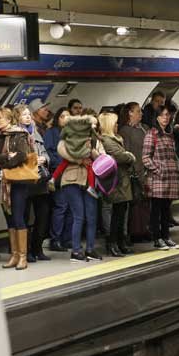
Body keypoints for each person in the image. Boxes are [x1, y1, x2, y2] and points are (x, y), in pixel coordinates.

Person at [0, 107, 33, 270]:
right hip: (2, 183)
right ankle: (14, 254)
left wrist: (3, 162)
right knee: (9, 218)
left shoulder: (19, 135)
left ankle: (23, 256)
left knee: (19, 217)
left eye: (0, 118)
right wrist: (7, 157)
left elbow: (21, 156)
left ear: (9, 120)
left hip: (18, 182)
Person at [57, 115, 104, 262]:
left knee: (92, 216)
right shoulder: (68, 138)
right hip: (72, 180)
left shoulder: (94, 140)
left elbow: (100, 156)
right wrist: (79, 158)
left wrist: (92, 151)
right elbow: (62, 150)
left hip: (90, 181)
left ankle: (90, 248)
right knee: (79, 216)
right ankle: (76, 251)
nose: (93, 128)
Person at [15, 104, 52, 263]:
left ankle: (38, 248)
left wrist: (45, 159)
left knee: (42, 215)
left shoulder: (36, 132)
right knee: (26, 217)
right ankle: (27, 250)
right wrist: (33, 160)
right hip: (25, 181)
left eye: (29, 114)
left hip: (40, 181)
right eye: (24, 115)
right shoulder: (16, 135)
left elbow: (45, 153)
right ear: (17, 118)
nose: (28, 117)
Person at [142, 107, 179, 250]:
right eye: (163, 115)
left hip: (170, 177)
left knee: (166, 209)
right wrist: (157, 170)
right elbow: (145, 157)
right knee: (156, 209)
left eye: (168, 115)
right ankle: (157, 238)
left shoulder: (170, 135)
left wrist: (177, 169)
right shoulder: (151, 134)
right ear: (157, 117)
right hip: (158, 178)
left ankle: (166, 236)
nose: (166, 118)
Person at [99, 112, 136, 257]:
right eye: (114, 123)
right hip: (116, 181)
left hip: (122, 181)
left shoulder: (115, 139)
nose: (117, 125)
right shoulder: (107, 141)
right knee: (116, 215)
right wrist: (129, 156)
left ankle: (120, 242)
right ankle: (112, 243)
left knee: (121, 214)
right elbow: (120, 156)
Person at [120, 102, 150, 243]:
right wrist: (134, 171)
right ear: (130, 113)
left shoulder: (144, 129)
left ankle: (144, 228)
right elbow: (127, 152)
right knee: (135, 203)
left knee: (145, 202)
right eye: (138, 111)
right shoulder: (125, 131)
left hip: (146, 169)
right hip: (134, 171)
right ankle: (135, 231)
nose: (141, 114)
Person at [49, 114, 99, 199]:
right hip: (83, 154)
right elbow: (94, 140)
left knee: (63, 163)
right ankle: (91, 186)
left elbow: (62, 136)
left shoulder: (70, 129)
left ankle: (53, 178)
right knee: (90, 166)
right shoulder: (88, 130)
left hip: (72, 150)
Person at [45, 108, 73, 251]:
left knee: (71, 208)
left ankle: (67, 239)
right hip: (59, 172)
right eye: (62, 116)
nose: (65, 119)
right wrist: (62, 162)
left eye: (68, 116)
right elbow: (49, 151)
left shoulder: (74, 133)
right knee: (60, 206)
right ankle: (55, 239)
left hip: (73, 173)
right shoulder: (51, 132)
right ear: (58, 118)